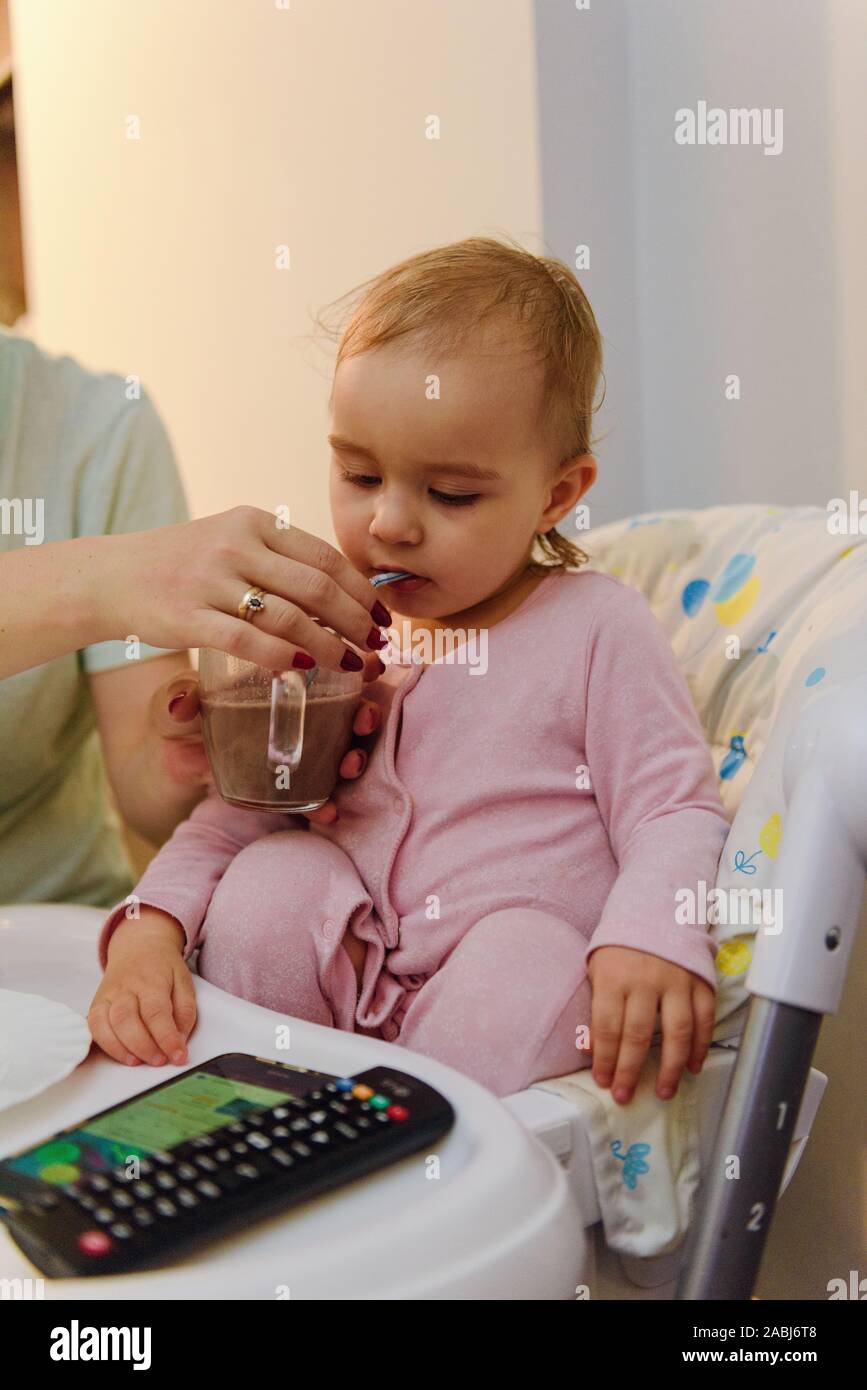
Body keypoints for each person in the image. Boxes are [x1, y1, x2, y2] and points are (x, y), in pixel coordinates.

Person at [92, 237, 730, 1103]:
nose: (389, 523)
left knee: (528, 958)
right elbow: (232, 818)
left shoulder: (596, 627)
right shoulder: (326, 641)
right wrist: (149, 929)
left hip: (496, 989)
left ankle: (408, 1142)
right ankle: (270, 1110)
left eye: (451, 494)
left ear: (553, 494)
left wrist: (650, 934)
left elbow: (671, 810)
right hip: (340, 998)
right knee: (272, 882)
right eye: (359, 474)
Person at [0, 326, 388, 909]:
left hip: (53, 925)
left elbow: (148, 793)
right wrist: (101, 582)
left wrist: (200, 764)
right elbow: (111, 583)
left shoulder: (98, 423)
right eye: (363, 478)